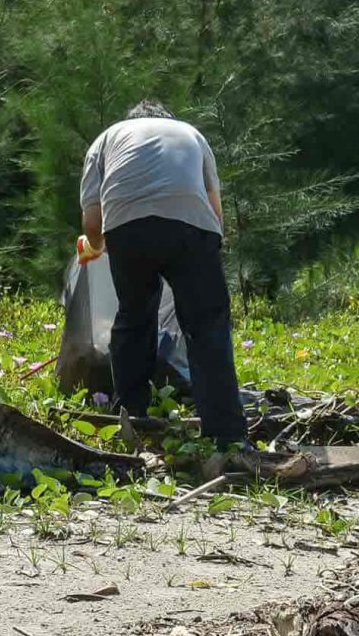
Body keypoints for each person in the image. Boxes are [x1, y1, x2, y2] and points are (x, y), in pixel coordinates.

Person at [78, 101, 247, 451]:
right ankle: (226, 435)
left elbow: (92, 224)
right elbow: (215, 213)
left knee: (134, 316)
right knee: (206, 327)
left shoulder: (106, 139)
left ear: (130, 122)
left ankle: (131, 417)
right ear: (166, 119)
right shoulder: (192, 134)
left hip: (128, 227)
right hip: (192, 227)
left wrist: (96, 246)